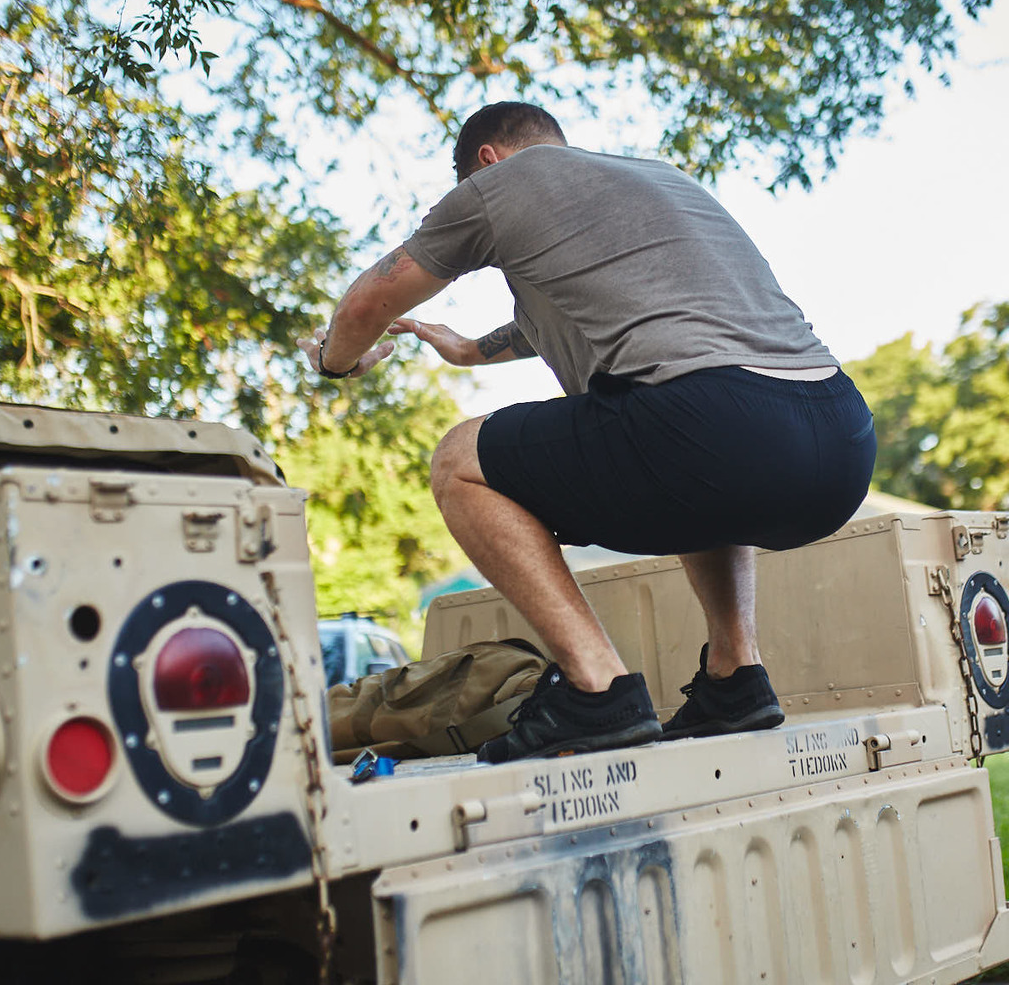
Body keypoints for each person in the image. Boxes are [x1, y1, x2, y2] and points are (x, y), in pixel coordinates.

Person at [297, 101, 876, 765]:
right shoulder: (654, 183)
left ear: (485, 161)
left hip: (718, 428)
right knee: (673, 435)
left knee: (459, 460)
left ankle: (596, 688)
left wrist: (335, 363)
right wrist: (464, 351)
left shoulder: (496, 184)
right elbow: (554, 321)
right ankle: (736, 676)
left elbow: (368, 302)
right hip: (839, 437)